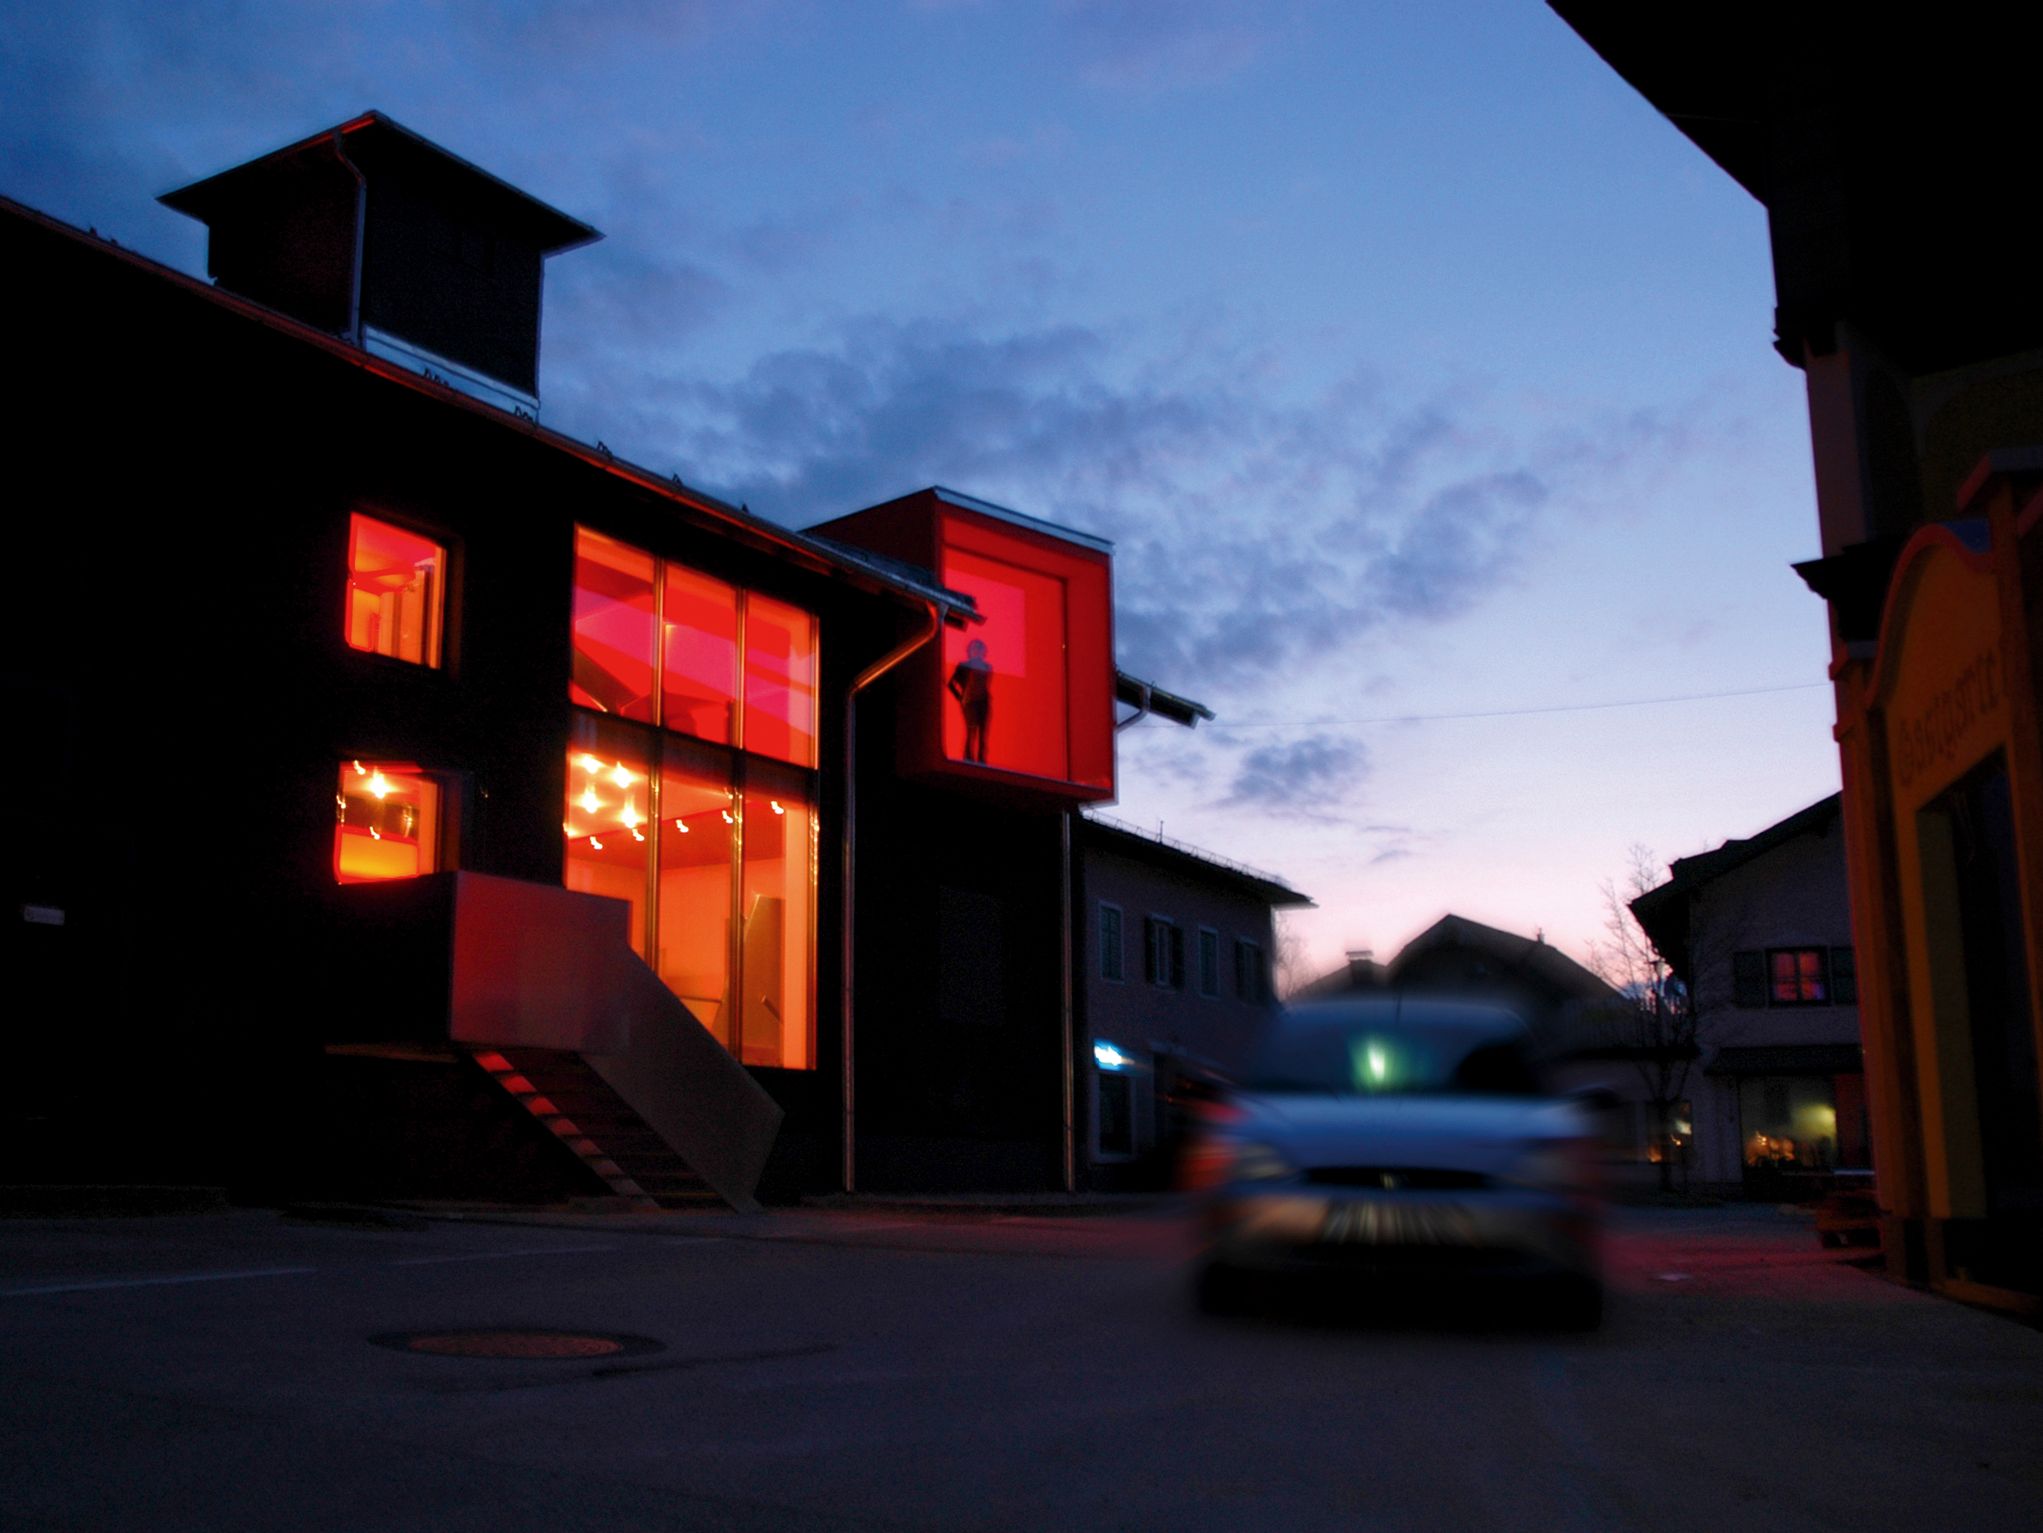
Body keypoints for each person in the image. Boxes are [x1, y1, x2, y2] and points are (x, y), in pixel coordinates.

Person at [947, 638, 992, 763]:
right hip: (970, 703)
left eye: (979, 648)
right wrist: (960, 698)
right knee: (971, 731)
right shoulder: (964, 666)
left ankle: (981, 761)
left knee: (983, 733)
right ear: (970, 650)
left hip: (983, 703)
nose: (977, 651)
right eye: (975, 648)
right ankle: (968, 759)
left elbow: (984, 685)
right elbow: (951, 684)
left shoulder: (987, 667)